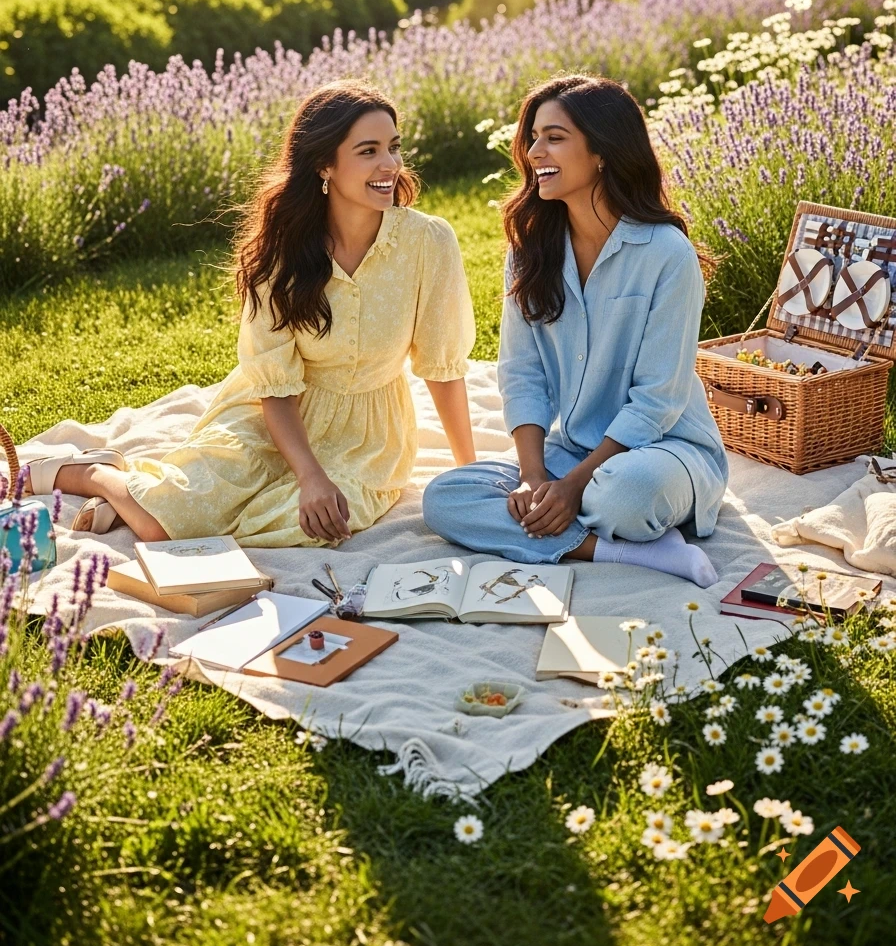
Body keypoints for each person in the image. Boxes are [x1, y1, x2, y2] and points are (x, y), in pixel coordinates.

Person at [26, 81, 477, 547]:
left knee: (305, 525)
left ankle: (134, 499)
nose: (390, 165)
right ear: (325, 164)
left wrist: (470, 474)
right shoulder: (280, 253)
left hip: (366, 437)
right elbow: (275, 383)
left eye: (394, 147)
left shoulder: (429, 241)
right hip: (274, 414)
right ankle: (97, 474)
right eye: (368, 151)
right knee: (161, 526)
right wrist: (309, 475)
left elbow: (442, 368)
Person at [422, 74, 728, 588]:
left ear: (602, 152)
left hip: (665, 453)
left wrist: (572, 488)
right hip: (573, 450)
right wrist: (533, 476)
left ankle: (589, 515)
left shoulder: (666, 254)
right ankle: (622, 553)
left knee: (624, 494)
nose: (533, 151)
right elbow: (521, 373)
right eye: (534, 136)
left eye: (554, 138)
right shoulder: (530, 251)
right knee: (444, 499)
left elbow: (658, 399)